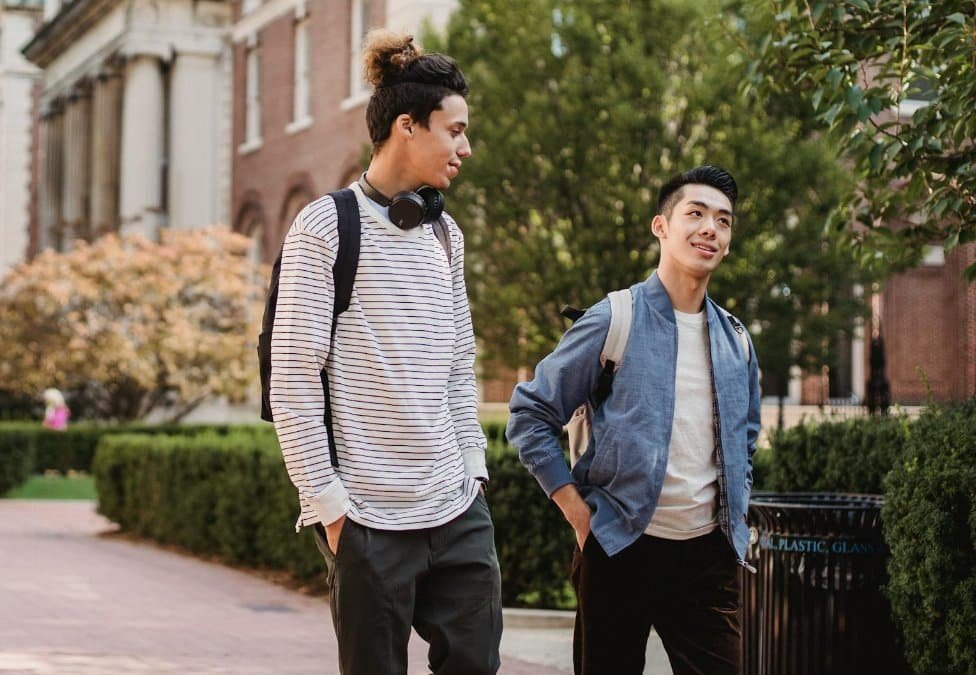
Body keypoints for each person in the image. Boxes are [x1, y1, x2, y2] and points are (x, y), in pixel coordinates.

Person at [268, 29, 501, 675]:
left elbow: (458, 363)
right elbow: (293, 377)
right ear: (407, 126)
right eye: (455, 131)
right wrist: (330, 507)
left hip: (456, 507)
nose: (465, 147)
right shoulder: (325, 226)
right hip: (366, 519)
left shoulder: (446, 235)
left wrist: (474, 468)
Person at [507, 166, 761, 675]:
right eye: (696, 214)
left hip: (707, 561)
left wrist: (735, 519)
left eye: (723, 220)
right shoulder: (614, 318)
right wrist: (577, 512)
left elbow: (746, 439)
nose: (710, 228)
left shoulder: (736, 339)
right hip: (619, 548)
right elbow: (530, 413)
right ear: (661, 226)